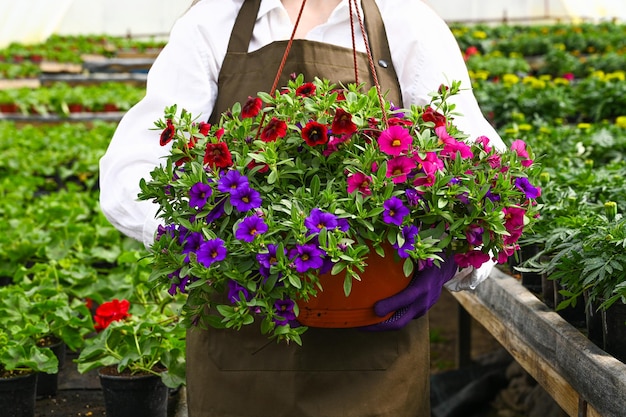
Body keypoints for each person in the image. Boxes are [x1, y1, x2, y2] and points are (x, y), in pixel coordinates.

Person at [99, 1, 505, 416]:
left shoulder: (405, 21)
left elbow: (480, 162)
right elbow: (130, 169)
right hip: (242, 352)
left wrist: (452, 260)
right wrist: (194, 237)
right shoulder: (213, 22)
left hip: (373, 362)